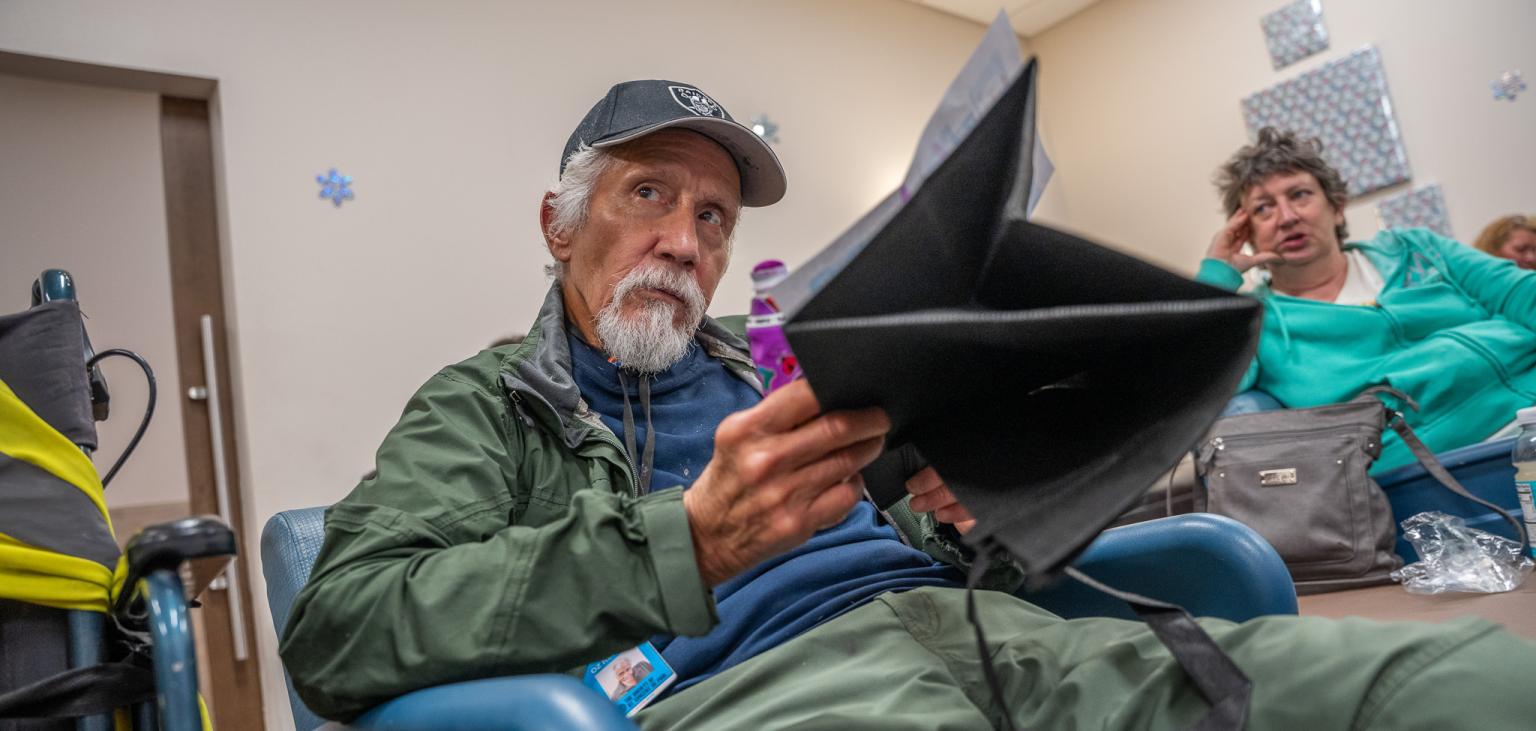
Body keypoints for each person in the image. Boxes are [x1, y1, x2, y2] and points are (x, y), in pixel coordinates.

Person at [281, 84, 1536, 730]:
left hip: (995, 632)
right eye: (646, 196)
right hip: (760, 690)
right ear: (559, 225)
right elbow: (337, 625)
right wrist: (692, 540)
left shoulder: (778, 377)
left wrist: (986, 488)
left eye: (711, 216)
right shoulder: (489, 404)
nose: (681, 237)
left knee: (1469, 685)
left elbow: (928, 532)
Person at [1201, 127, 1536, 471]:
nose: (1287, 217)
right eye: (1263, 209)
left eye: (1300, 195)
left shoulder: (1418, 249)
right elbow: (1197, 387)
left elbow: (1523, 294)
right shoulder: (1256, 320)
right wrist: (1217, 277)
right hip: (1424, 472)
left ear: (1337, 208)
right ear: (1246, 233)